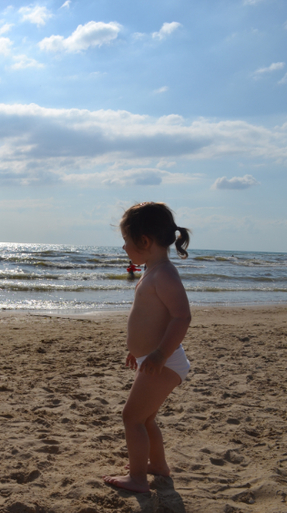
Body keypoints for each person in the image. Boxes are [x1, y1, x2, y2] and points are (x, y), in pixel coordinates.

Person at [103, 202, 192, 494]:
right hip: (155, 358)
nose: (124, 247)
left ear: (144, 241)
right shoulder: (152, 270)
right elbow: (151, 318)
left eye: (126, 240)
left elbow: (181, 317)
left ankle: (138, 478)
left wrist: (160, 353)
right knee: (146, 417)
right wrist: (138, 350)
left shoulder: (164, 274)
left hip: (165, 360)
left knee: (132, 418)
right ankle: (159, 466)